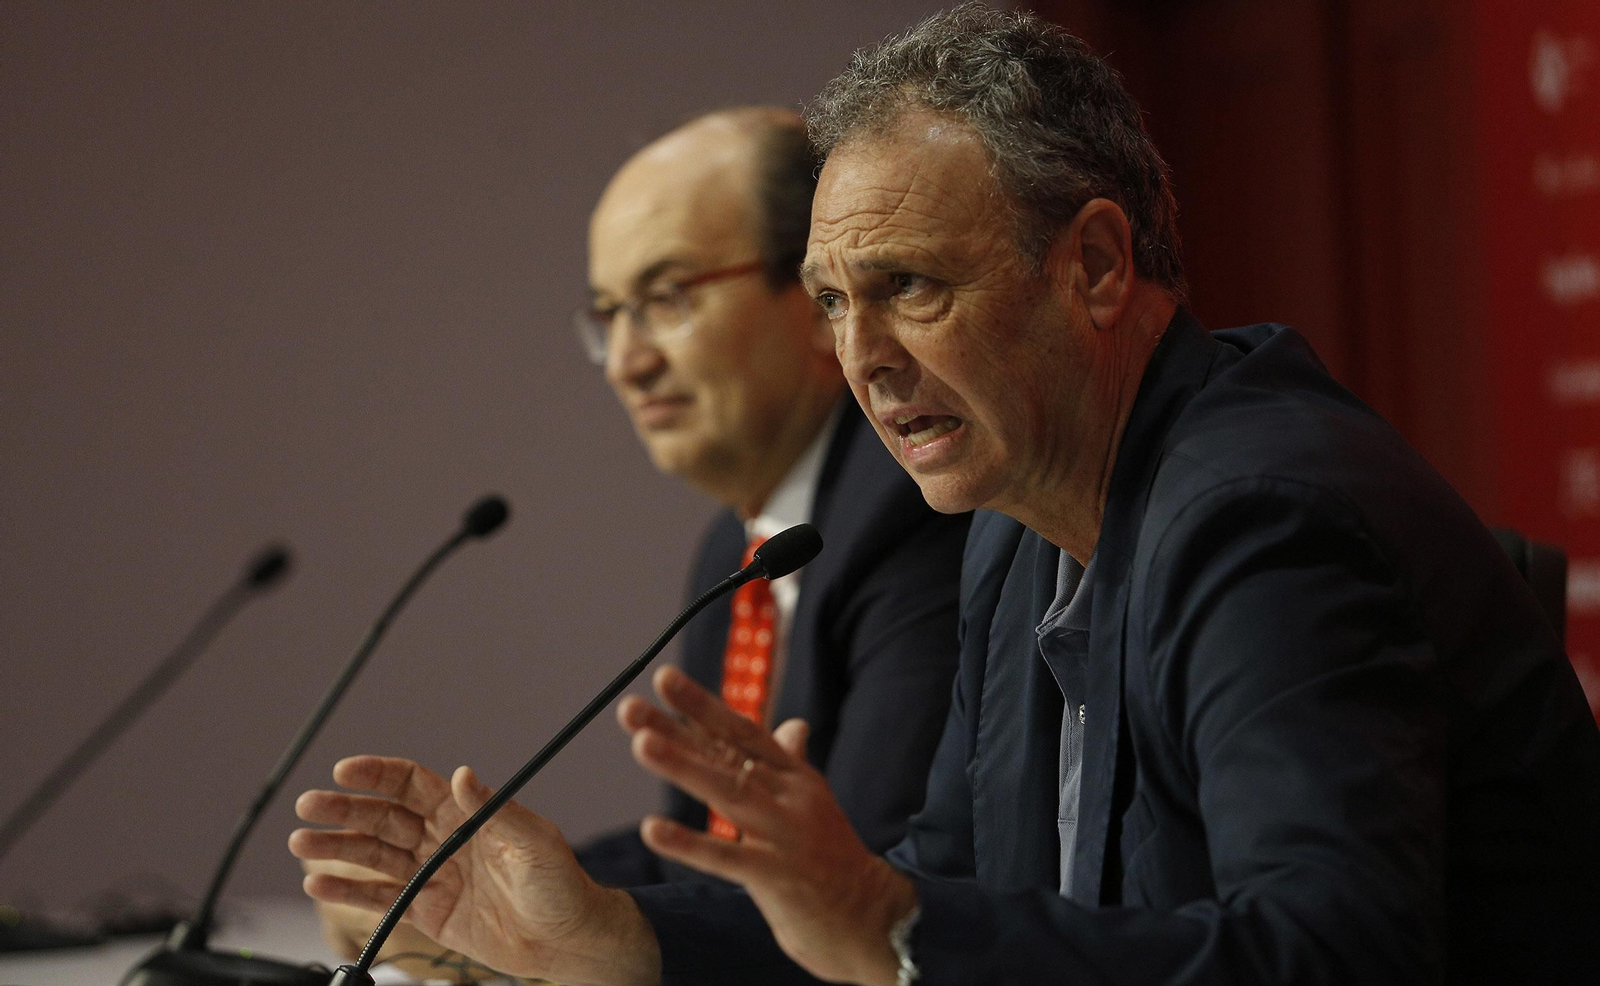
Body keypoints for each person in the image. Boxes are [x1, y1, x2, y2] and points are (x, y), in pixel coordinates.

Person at [290, 6, 1600, 985]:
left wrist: (886, 919)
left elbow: (1333, 959)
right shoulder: (1017, 530)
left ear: (1094, 263)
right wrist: (618, 934)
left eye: (910, 285)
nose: (862, 358)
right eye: (832, 302)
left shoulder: (1259, 519)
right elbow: (944, 884)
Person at [301, 107, 969, 973]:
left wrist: (566, 943)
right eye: (608, 314)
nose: (625, 360)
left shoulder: (912, 519)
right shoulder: (739, 557)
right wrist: (471, 890)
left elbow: (859, 889)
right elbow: (705, 853)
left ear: (815, 299)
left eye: (664, 299)